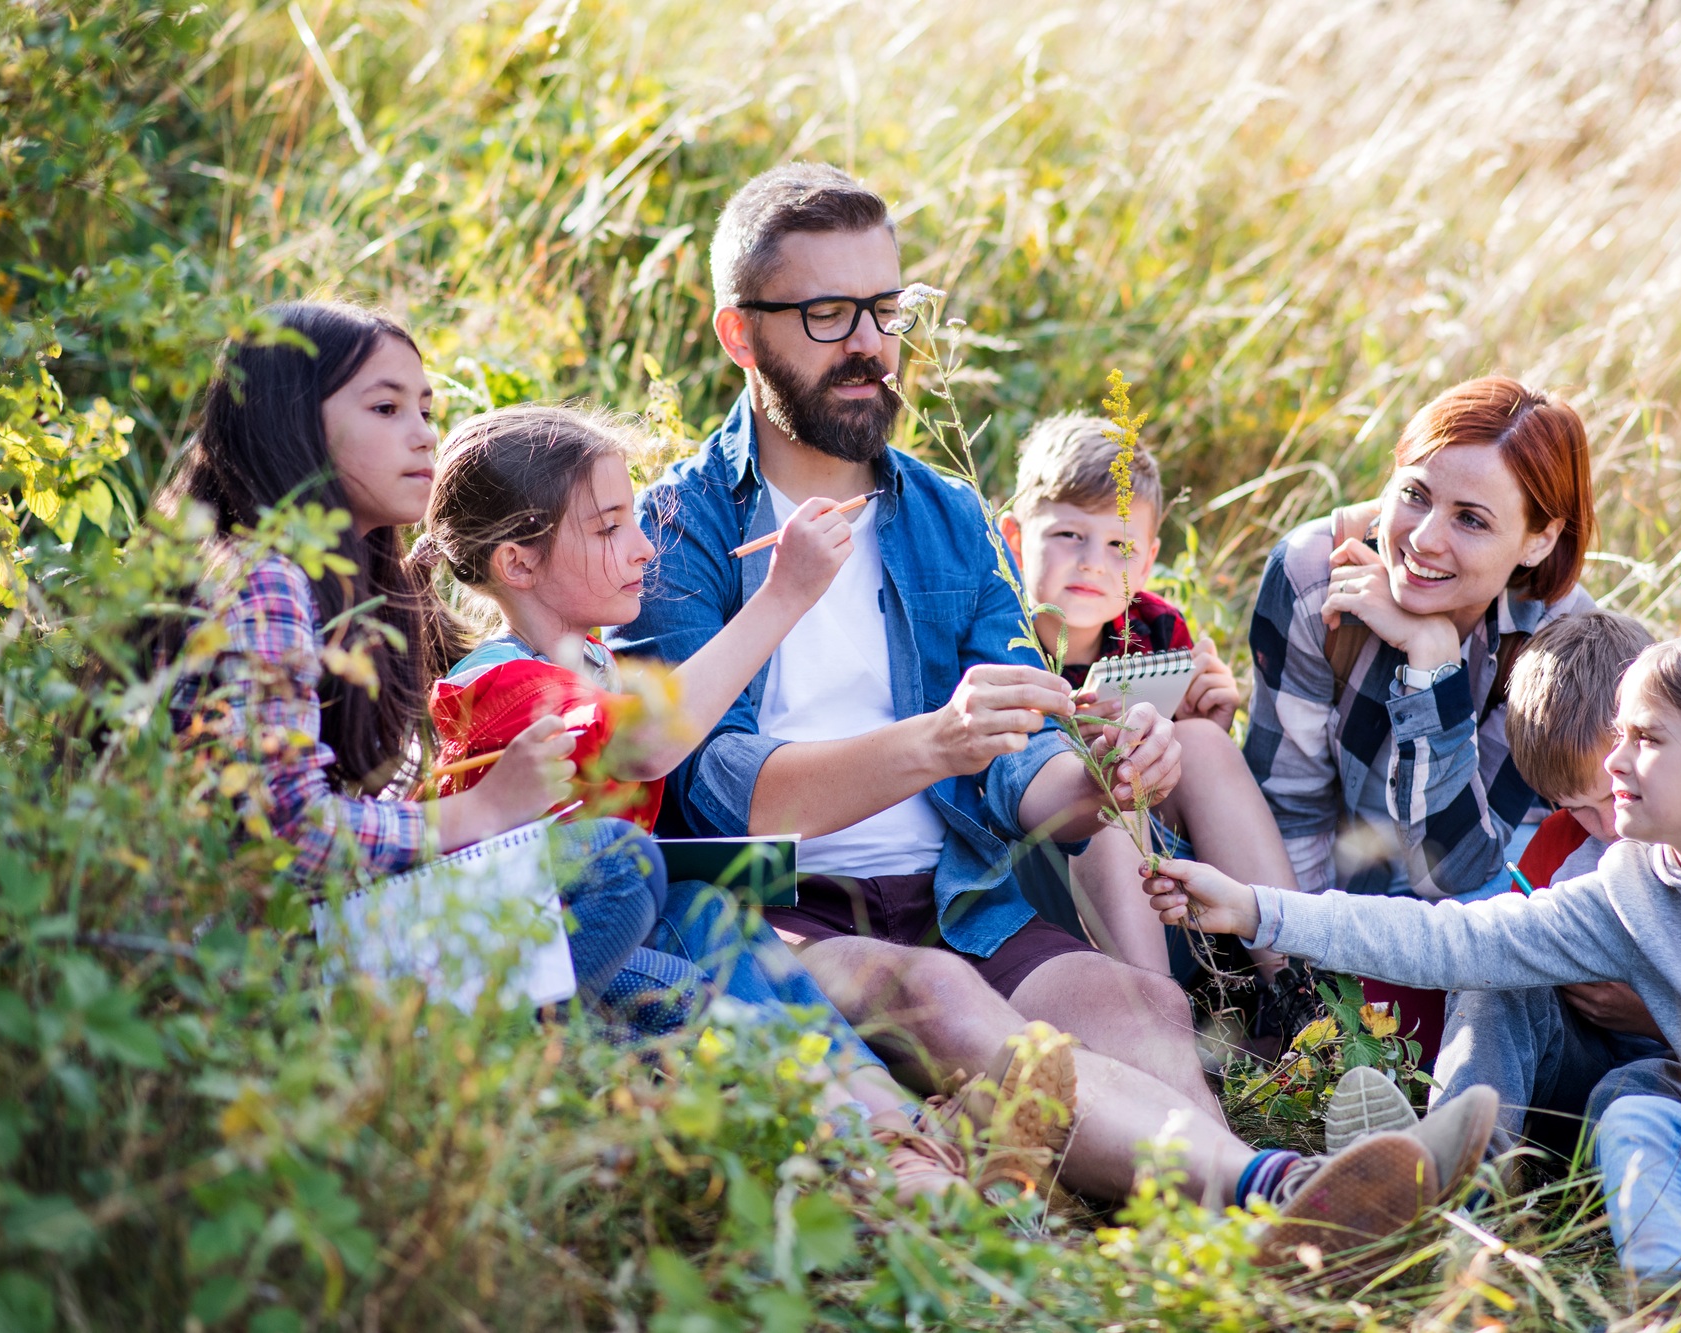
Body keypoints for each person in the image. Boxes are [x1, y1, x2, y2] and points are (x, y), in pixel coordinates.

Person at [611, 160, 1500, 1253]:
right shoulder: (678, 528)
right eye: (826, 313)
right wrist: (932, 743)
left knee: (1142, 1007)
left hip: (944, 893)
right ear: (740, 335)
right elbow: (711, 787)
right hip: (770, 909)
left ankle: (1257, 1233)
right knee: (933, 991)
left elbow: (1020, 765)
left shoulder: (943, 517)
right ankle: (1267, 1196)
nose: (869, 345)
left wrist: (1101, 778)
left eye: (887, 310)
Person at [1141, 632, 1681, 1281]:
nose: (1614, 760)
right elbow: (1458, 936)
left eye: (1646, 738)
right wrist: (1255, 907)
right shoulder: (1634, 884)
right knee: (1631, 1113)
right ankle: (1566, 1259)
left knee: (1637, 1094)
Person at [410, 401, 991, 1201]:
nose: (643, 545)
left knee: (729, 926)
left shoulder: (591, 660)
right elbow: (648, 741)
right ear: (518, 562)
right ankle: (876, 1160)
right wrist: (781, 597)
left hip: (618, 931)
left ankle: (909, 1133)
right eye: (611, 527)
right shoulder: (502, 686)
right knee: (723, 1003)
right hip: (543, 971)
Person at [162, 301, 662, 1027]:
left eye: (426, 410)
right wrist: (479, 811)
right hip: (268, 961)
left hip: (334, 932)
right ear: (291, 422)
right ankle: (471, 1064)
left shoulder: (362, 575)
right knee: (617, 865)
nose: (424, 434)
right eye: (387, 407)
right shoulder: (265, 578)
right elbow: (292, 838)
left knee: (675, 992)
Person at [1243, 375, 1598, 1033]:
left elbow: (1458, 872)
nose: (1425, 540)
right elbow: (1290, 808)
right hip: (1311, 916)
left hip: (1458, 937)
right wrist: (1322, 999)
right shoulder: (1312, 573)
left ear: (1539, 539)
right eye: (1414, 494)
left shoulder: (1557, 648)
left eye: (1471, 518)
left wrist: (1432, 666)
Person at [996, 413, 1298, 982]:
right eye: (1069, 535)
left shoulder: (1154, 628)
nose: (1093, 561)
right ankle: (1154, 1023)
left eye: (1120, 545)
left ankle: (1296, 986)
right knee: (1107, 776)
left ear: (1149, 558)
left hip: (1156, 885)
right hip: (1030, 878)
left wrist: (1207, 722)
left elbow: (1185, 775)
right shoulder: (996, 630)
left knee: (1201, 743)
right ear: (1014, 536)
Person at [1431, 611, 1676, 1163]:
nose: (1608, 825)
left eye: (1613, 795)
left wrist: (1646, 1015)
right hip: (1569, 1067)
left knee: (1627, 1097)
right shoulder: (1560, 845)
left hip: (1677, 1083)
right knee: (1492, 977)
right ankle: (1458, 1167)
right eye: (1577, 808)